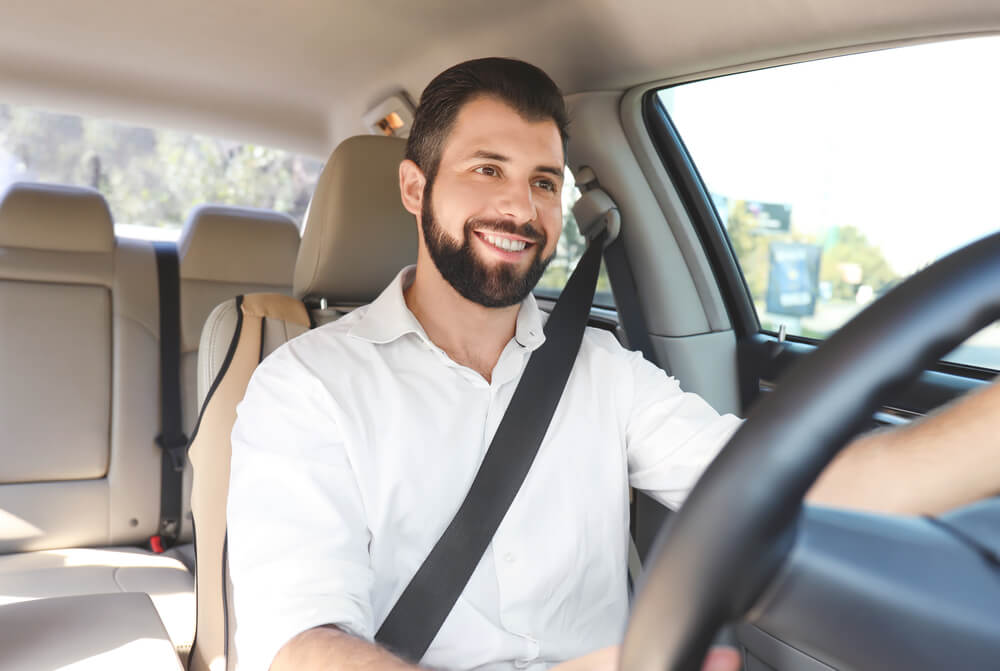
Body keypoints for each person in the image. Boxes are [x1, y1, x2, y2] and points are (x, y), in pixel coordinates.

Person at [226, 57, 1000, 671]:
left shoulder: (602, 371)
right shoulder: (307, 386)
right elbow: (301, 646)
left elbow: (791, 487)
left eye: (543, 182)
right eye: (485, 169)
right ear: (413, 186)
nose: (521, 210)